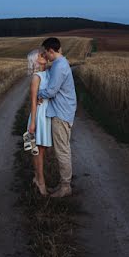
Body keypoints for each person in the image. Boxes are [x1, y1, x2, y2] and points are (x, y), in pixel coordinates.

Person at [36, 36, 77, 198]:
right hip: (63, 111)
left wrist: (37, 94)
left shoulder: (59, 66)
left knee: (62, 151)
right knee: (63, 149)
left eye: (46, 53)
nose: (45, 56)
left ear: (51, 50)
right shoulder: (61, 63)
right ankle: (63, 184)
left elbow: (51, 91)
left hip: (61, 113)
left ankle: (65, 187)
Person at [26, 48, 52, 195]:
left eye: (44, 54)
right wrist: (33, 123)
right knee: (38, 150)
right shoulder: (36, 77)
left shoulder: (49, 72)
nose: (45, 56)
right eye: (41, 55)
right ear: (35, 61)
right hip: (39, 115)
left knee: (43, 149)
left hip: (47, 114)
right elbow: (33, 102)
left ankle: (37, 177)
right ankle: (41, 182)